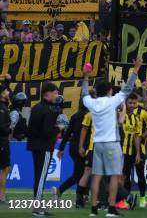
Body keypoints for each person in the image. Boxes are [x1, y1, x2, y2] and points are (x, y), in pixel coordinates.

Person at [81, 59, 140, 217]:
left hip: (97, 144)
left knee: (97, 176)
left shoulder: (91, 103)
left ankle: (94, 209)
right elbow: (127, 89)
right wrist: (136, 69)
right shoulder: (112, 101)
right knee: (115, 176)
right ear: (109, 90)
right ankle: (111, 209)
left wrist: (85, 77)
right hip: (112, 144)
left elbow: (84, 94)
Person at [27, 82, 63, 217]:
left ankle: (38, 206)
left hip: (35, 146)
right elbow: (48, 131)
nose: (57, 95)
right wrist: (58, 128)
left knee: (38, 177)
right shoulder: (48, 110)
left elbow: (31, 129)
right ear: (47, 93)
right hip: (44, 146)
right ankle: (37, 208)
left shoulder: (36, 107)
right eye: (55, 92)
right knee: (41, 178)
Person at [54, 98, 89, 203]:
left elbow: (68, 133)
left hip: (73, 147)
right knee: (80, 174)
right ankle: (61, 191)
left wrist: (61, 148)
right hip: (82, 147)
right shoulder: (88, 116)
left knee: (82, 172)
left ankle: (83, 196)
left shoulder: (75, 115)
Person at [0, 83, 10, 204]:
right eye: (6, 91)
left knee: (6, 168)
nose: (8, 92)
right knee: (5, 168)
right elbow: (2, 126)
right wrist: (10, 130)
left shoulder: (3, 106)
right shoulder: (1, 108)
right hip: (1, 141)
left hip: (2, 141)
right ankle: (1, 196)